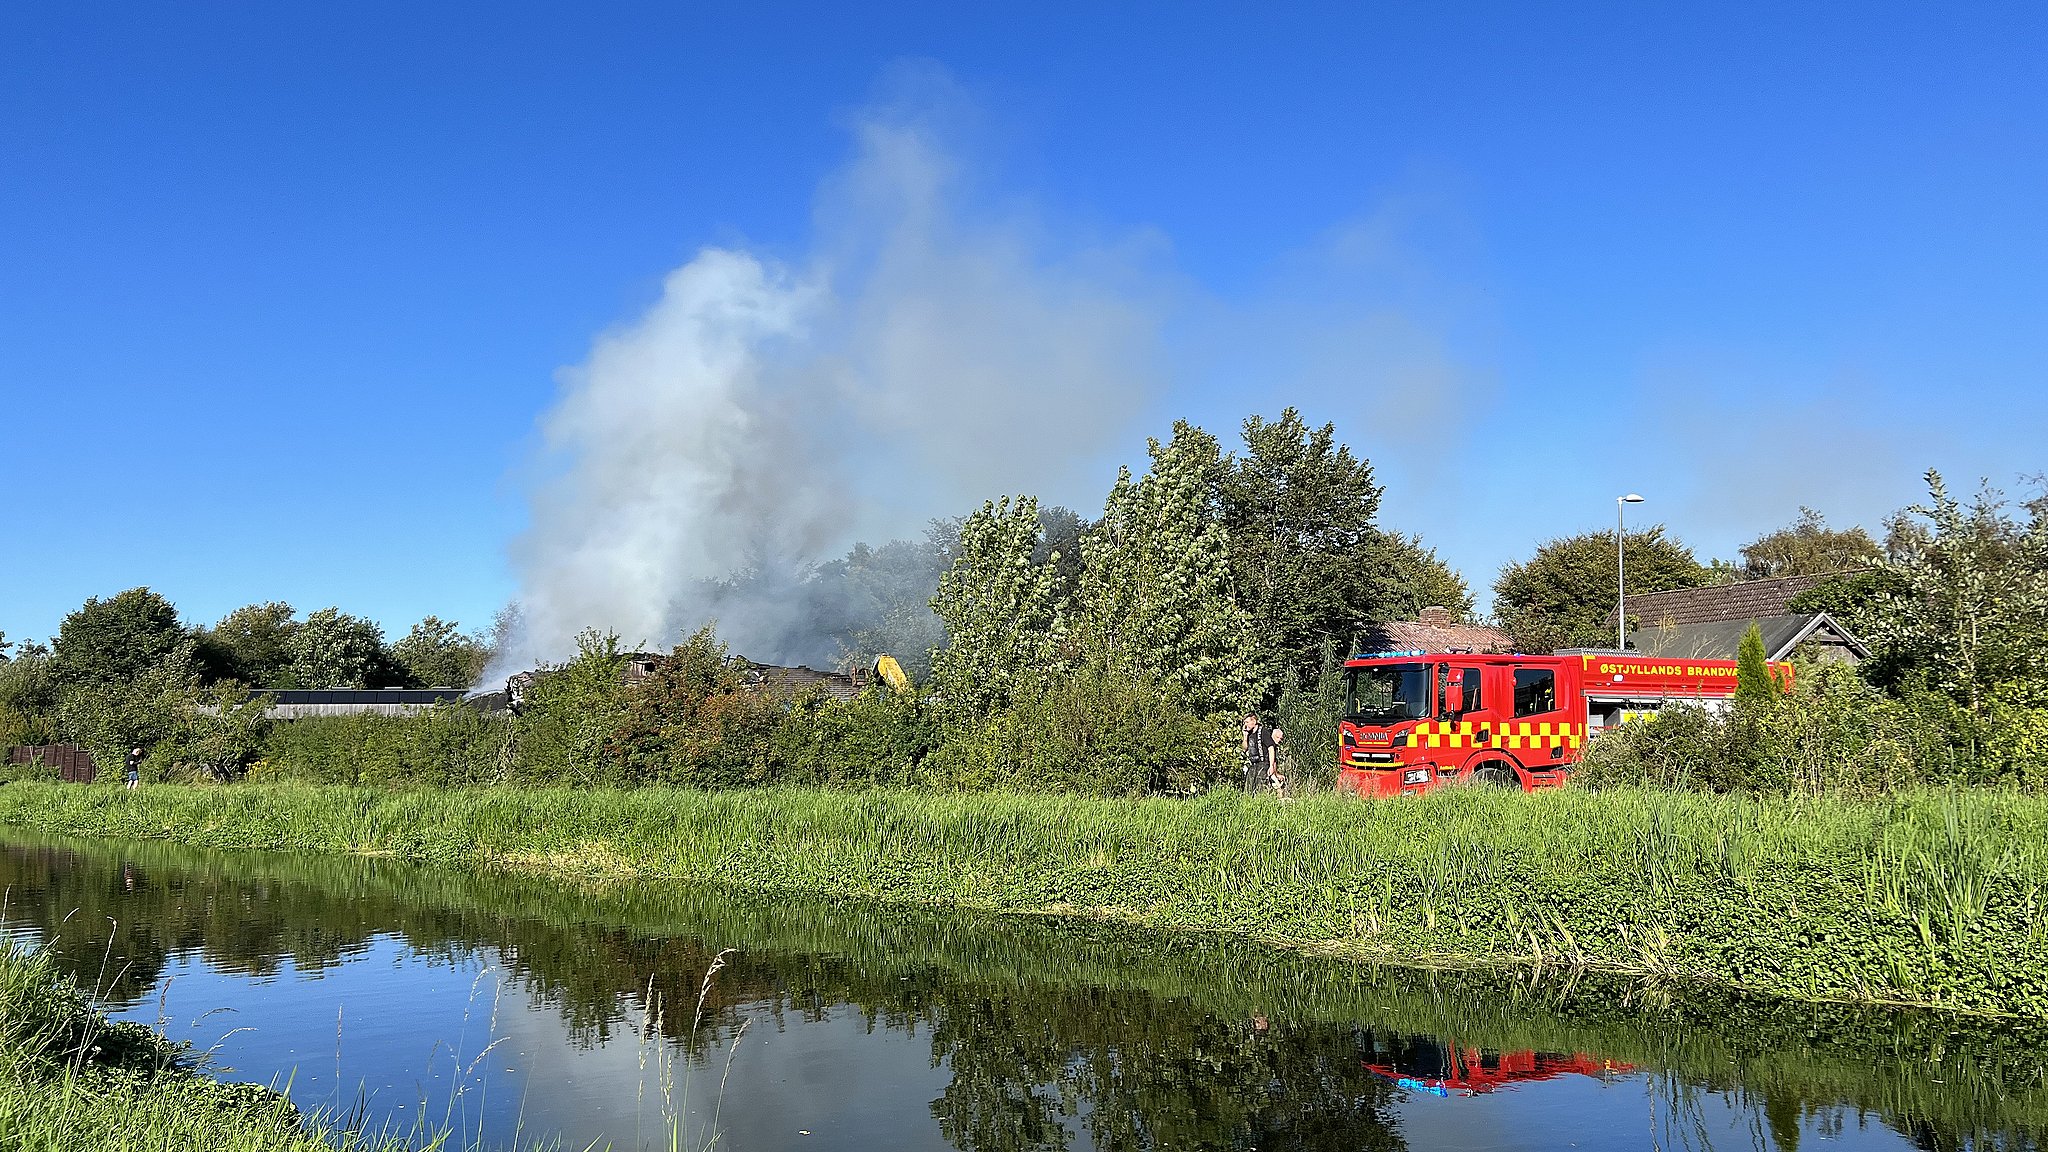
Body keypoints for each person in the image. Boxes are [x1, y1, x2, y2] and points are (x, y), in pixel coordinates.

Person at [1240, 714, 1267, 794]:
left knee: (1259, 788)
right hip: (1253, 764)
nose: (1246, 725)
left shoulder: (1263, 732)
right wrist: (1245, 736)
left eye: (1247, 722)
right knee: (1248, 788)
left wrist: (1272, 766)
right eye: (1244, 723)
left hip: (1263, 762)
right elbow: (1245, 748)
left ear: (1254, 721)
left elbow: (1271, 747)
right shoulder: (1249, 734)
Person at [1263, 726, 1289, 798]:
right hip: (1266, 770)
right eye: (1278, 737)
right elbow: (1272, 761)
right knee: (1278, 789)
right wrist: (1276, 775)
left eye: (1281, 739)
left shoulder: (1273, 746)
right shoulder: (1271, 746)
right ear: (1273, 736)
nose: (1280, 740)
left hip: (1267, 770)